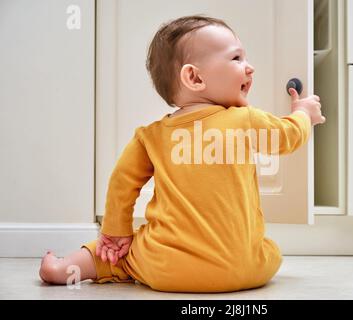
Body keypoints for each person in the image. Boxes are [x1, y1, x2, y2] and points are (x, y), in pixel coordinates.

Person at [39, 15, 325, 293]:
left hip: (167, 269)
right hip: (247, 271)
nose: (249, 68)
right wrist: (303, 114)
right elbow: (289, 136)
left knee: (116, 255)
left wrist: (116, 232)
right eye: (237, 58)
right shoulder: (245, 120)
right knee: (268, 249)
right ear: (194, 77)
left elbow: (122, 183)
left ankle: (62, 269)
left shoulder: (150, 136)